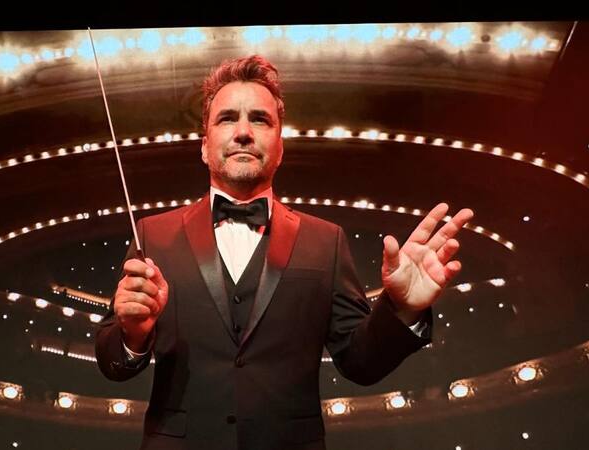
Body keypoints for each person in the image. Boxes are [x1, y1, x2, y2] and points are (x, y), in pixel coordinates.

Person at [95, 55, 474, 450]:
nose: (243, 132)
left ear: (280, 148)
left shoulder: (326, 241)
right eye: (227, 119)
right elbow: (112, 363)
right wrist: (134, 333)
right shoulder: (154, 235)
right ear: (205, 146)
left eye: (260, 120)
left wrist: (403, 308)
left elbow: (359, 363)